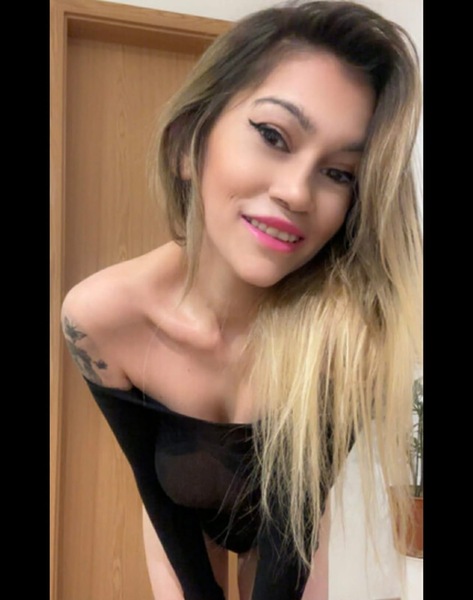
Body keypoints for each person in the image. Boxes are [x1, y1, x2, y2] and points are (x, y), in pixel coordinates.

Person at [61, 1, 423, 598]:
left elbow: (293, 535)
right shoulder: (102, 318)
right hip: (181, 511)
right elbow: (160, 502)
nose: (297, 193)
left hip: (291, 529)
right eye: (273, 136)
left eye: (340, 173)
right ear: (187, 145)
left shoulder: (348, 338)